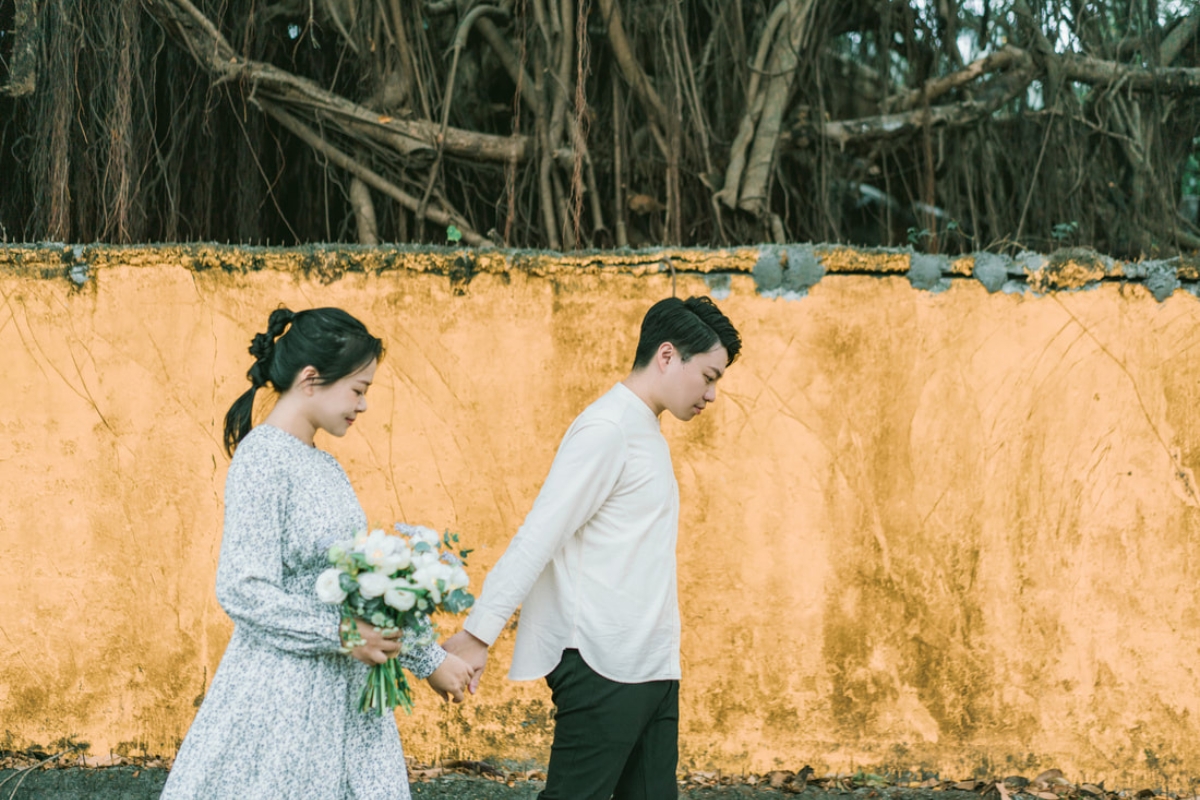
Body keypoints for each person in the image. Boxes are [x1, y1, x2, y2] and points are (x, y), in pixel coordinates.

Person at [161, 306, 474, 800]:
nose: (364, 405)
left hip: (348, 694)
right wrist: (343, 633)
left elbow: (363, 589)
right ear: (311, 379)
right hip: (284, 697)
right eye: (358, 389)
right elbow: (243, 589)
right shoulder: (262, 457)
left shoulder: (325, 466)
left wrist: (428, 658)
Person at [443, 295, 743, 800]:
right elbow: (540, 535)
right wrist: (478, 635)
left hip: (651, 667)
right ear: (667, 356)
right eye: (709, 376)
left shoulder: (643, 428)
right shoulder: (607, 428)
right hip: (603, 665)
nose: (711, 395)